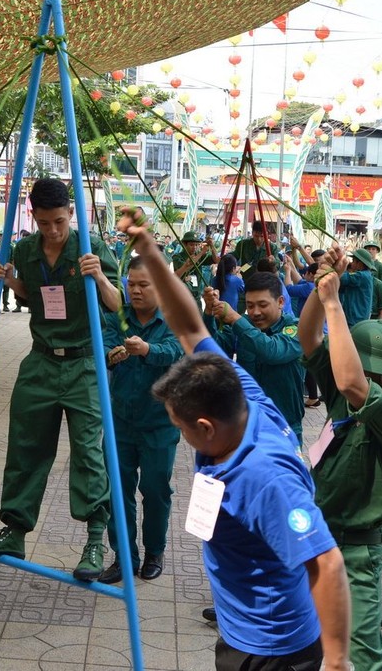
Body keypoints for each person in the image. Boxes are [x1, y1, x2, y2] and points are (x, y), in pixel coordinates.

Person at [119, 207, 351, 671]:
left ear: (205, 427)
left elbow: (327, 563)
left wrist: (336, 661)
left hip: (272, 649)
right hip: (239, 625)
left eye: (181, 427)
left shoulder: (264, 477)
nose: (181, 435)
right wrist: (150, 251)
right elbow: (189, 327)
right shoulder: (239, 390)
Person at [0, 178, 121, 581]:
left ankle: (94, 540)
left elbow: (118, 304)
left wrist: (100, 277)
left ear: (71, 213)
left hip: (84, 363)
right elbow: (31, 296)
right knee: (25, 447)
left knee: (88, 453)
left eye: (59, 222)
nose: (52, 230)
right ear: (33, 216)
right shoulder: (24, 250)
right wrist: (8, 280)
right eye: (44, 222)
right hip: (40, 361)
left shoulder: (91, 247)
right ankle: (15, 531)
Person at [298, 245, 382, 671]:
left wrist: (335, 304)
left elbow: (354, 385)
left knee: (364, 657)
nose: (353, 368)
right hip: (314, 535)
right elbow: (308, 339)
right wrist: (321, 289)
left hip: (356, 551)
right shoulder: (346, 388)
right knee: (302, 645)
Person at [98, 256, 182, 585]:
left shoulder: (174, 318)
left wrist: (147, 349)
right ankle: (124, 556)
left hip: (160, 422)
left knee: (156, 489)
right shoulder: (117, 319)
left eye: (143, 285)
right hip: (120, 421)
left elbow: (175, 351)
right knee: (117, 491)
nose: (135, 291)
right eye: (131, 284)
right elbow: (103, 346)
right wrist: (111, 355)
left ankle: (155, 552)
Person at [206, 271, 305, 441]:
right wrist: (208, 314)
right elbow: (211, 350)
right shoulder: (242, 325)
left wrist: (235, 319)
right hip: (246, 426)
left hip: (284, 427)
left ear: (281, 302)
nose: (255, 312)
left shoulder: (296, 329)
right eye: (250, 306)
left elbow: (272, 351)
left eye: (262, 305)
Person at [171, 231, 216, 309]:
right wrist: (201, 253)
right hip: (182, 297)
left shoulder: (199, 255)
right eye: (191, 245)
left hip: (196, 297)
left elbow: (215, 259)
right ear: (184, 245)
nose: (194, 247)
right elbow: (188, 266)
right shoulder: (177, 257)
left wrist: (212, 246)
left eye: (196, 245)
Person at [337, 248, 376, 327]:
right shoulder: (365, 275)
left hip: (355, 319)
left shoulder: (361, 276)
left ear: (360, 264)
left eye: (353, 261)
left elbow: (342, 278)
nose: (351, 263)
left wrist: (340, 266)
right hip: (356, 317)